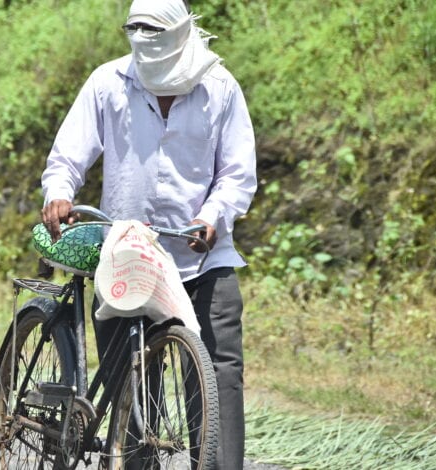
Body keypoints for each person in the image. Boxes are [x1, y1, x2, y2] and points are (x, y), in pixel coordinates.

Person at [40, 0, 257, 468]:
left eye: (154, 33)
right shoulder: (109, 82)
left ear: (180, 36)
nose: (145, 42)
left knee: (219, 372)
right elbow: (67, 157)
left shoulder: (218, 87)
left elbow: (238, 173)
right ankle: (132, 460)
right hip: (128, 252)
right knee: (130, 382)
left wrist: (214, 215)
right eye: (134, 31)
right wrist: (59, 192)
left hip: (202, 255)